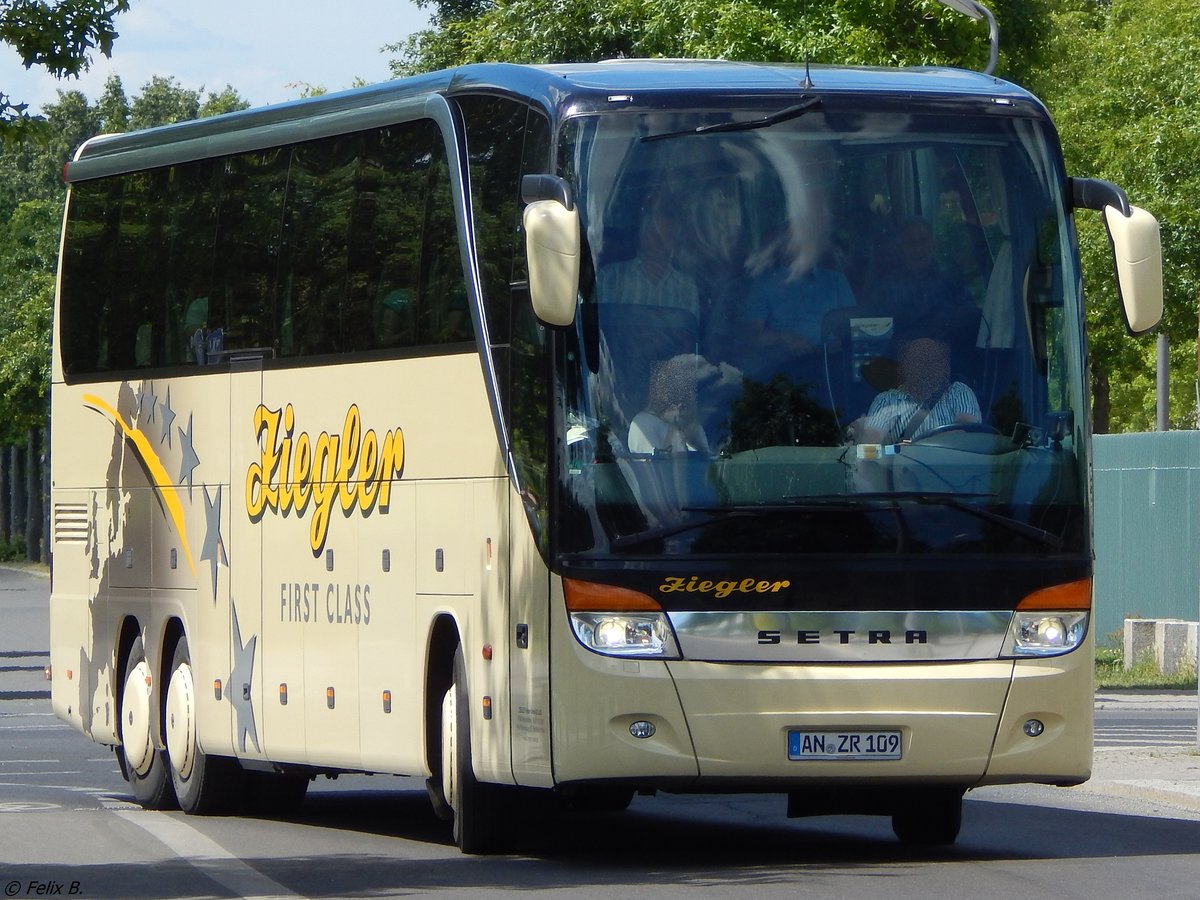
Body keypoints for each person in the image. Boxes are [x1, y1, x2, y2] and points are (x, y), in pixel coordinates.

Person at [851, 337, 980, 444]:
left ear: (942, 367)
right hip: (899, 471)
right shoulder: (886, 400)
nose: (924, 367)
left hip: (950, 470)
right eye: (917, 360)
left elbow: (966, 429)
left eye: (931, 360)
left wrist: (917, 445)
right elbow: (872, 439)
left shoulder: (959, 392)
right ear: (905, 368)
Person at [597, 191, 700, 317]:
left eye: (667, 237)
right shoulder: (611, 278)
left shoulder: (686, 288)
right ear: (641, 234)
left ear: (675, 241)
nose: (661, 244)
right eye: (655, 236)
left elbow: (688, 335)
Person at [628, 354, 713, 455]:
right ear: (655, 390)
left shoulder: (693, 425)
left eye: (680, 384)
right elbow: (654, 466)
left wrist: (690, 435)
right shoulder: (642, 423)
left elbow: (709, 460)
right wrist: (673, 427)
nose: (675, 392)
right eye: (668, 383)